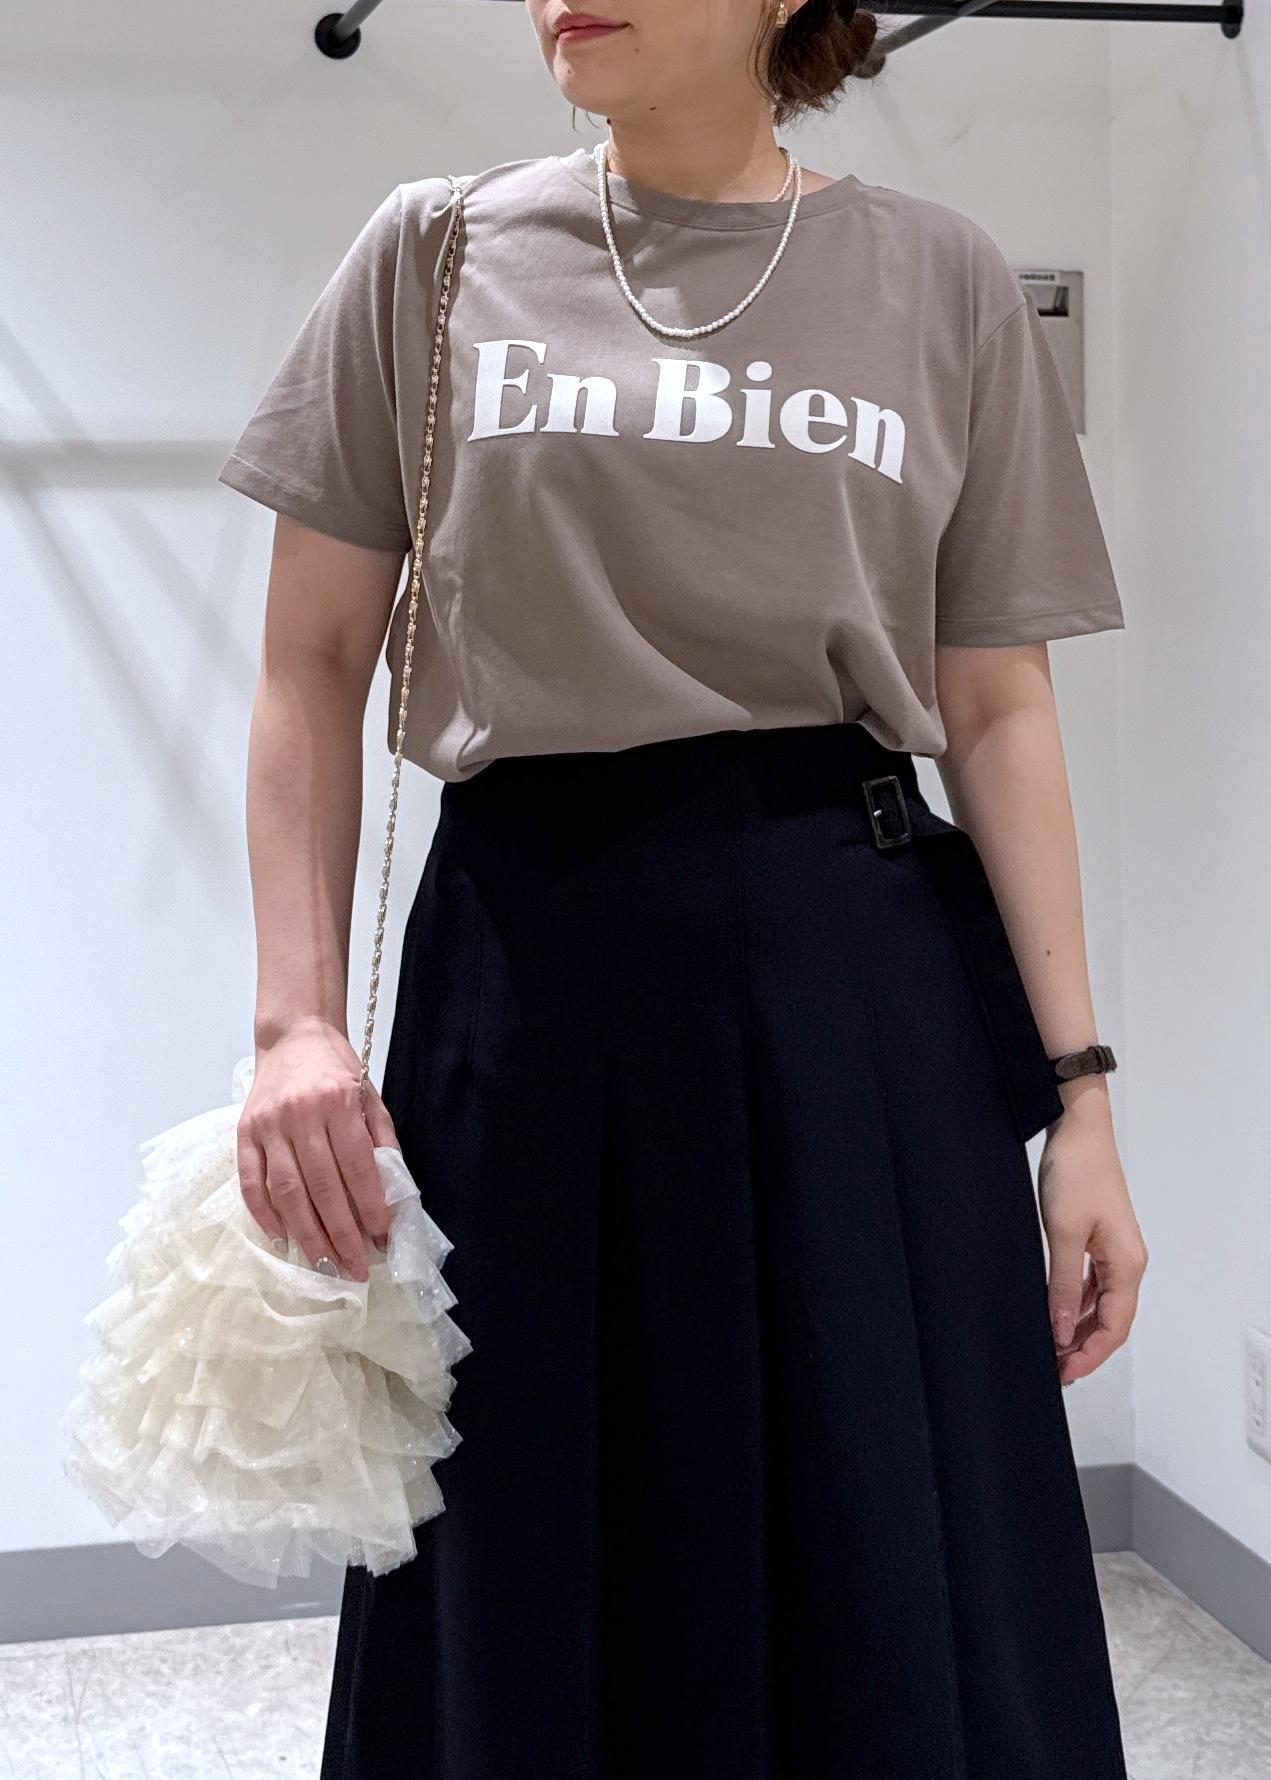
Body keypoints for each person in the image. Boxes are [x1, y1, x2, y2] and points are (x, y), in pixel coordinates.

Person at [215, 1, 1147, 1774]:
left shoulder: (941, 279)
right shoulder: (433, 255)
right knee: (533, 1535)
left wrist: (1082, 1101)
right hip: (527, 973)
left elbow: (997, 710)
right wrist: (293, 1026)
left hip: (854, 975)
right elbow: (309, 664)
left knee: (879, 1527)